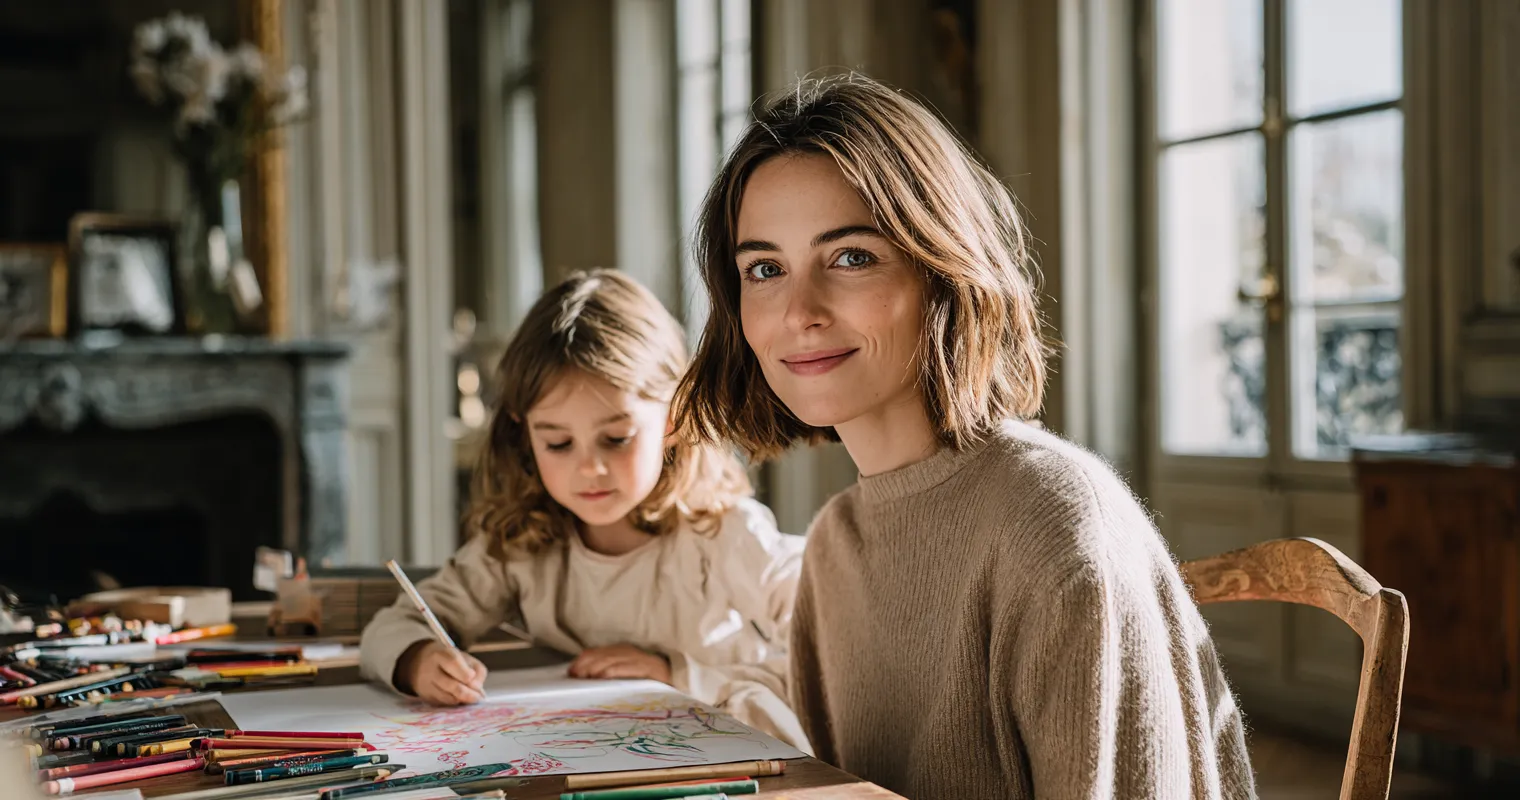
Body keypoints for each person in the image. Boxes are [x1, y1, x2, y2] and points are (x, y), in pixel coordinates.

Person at [675, 74, 1254, 798]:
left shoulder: (1054, 523)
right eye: (765, 269)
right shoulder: (834, 546)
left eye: (851, 256)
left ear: (941, 272)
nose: (799, 311)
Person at [360, 269, 808, 749]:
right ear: (524, 433)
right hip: (592, 759)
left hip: (738, 761)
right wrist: (420, 660)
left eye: (616, 438)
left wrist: (675, 672)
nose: (590, 468)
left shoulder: (725, 534)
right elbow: (391, 627)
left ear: (673, 418)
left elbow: (830, 653)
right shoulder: (522, 546)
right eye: (557, 443)